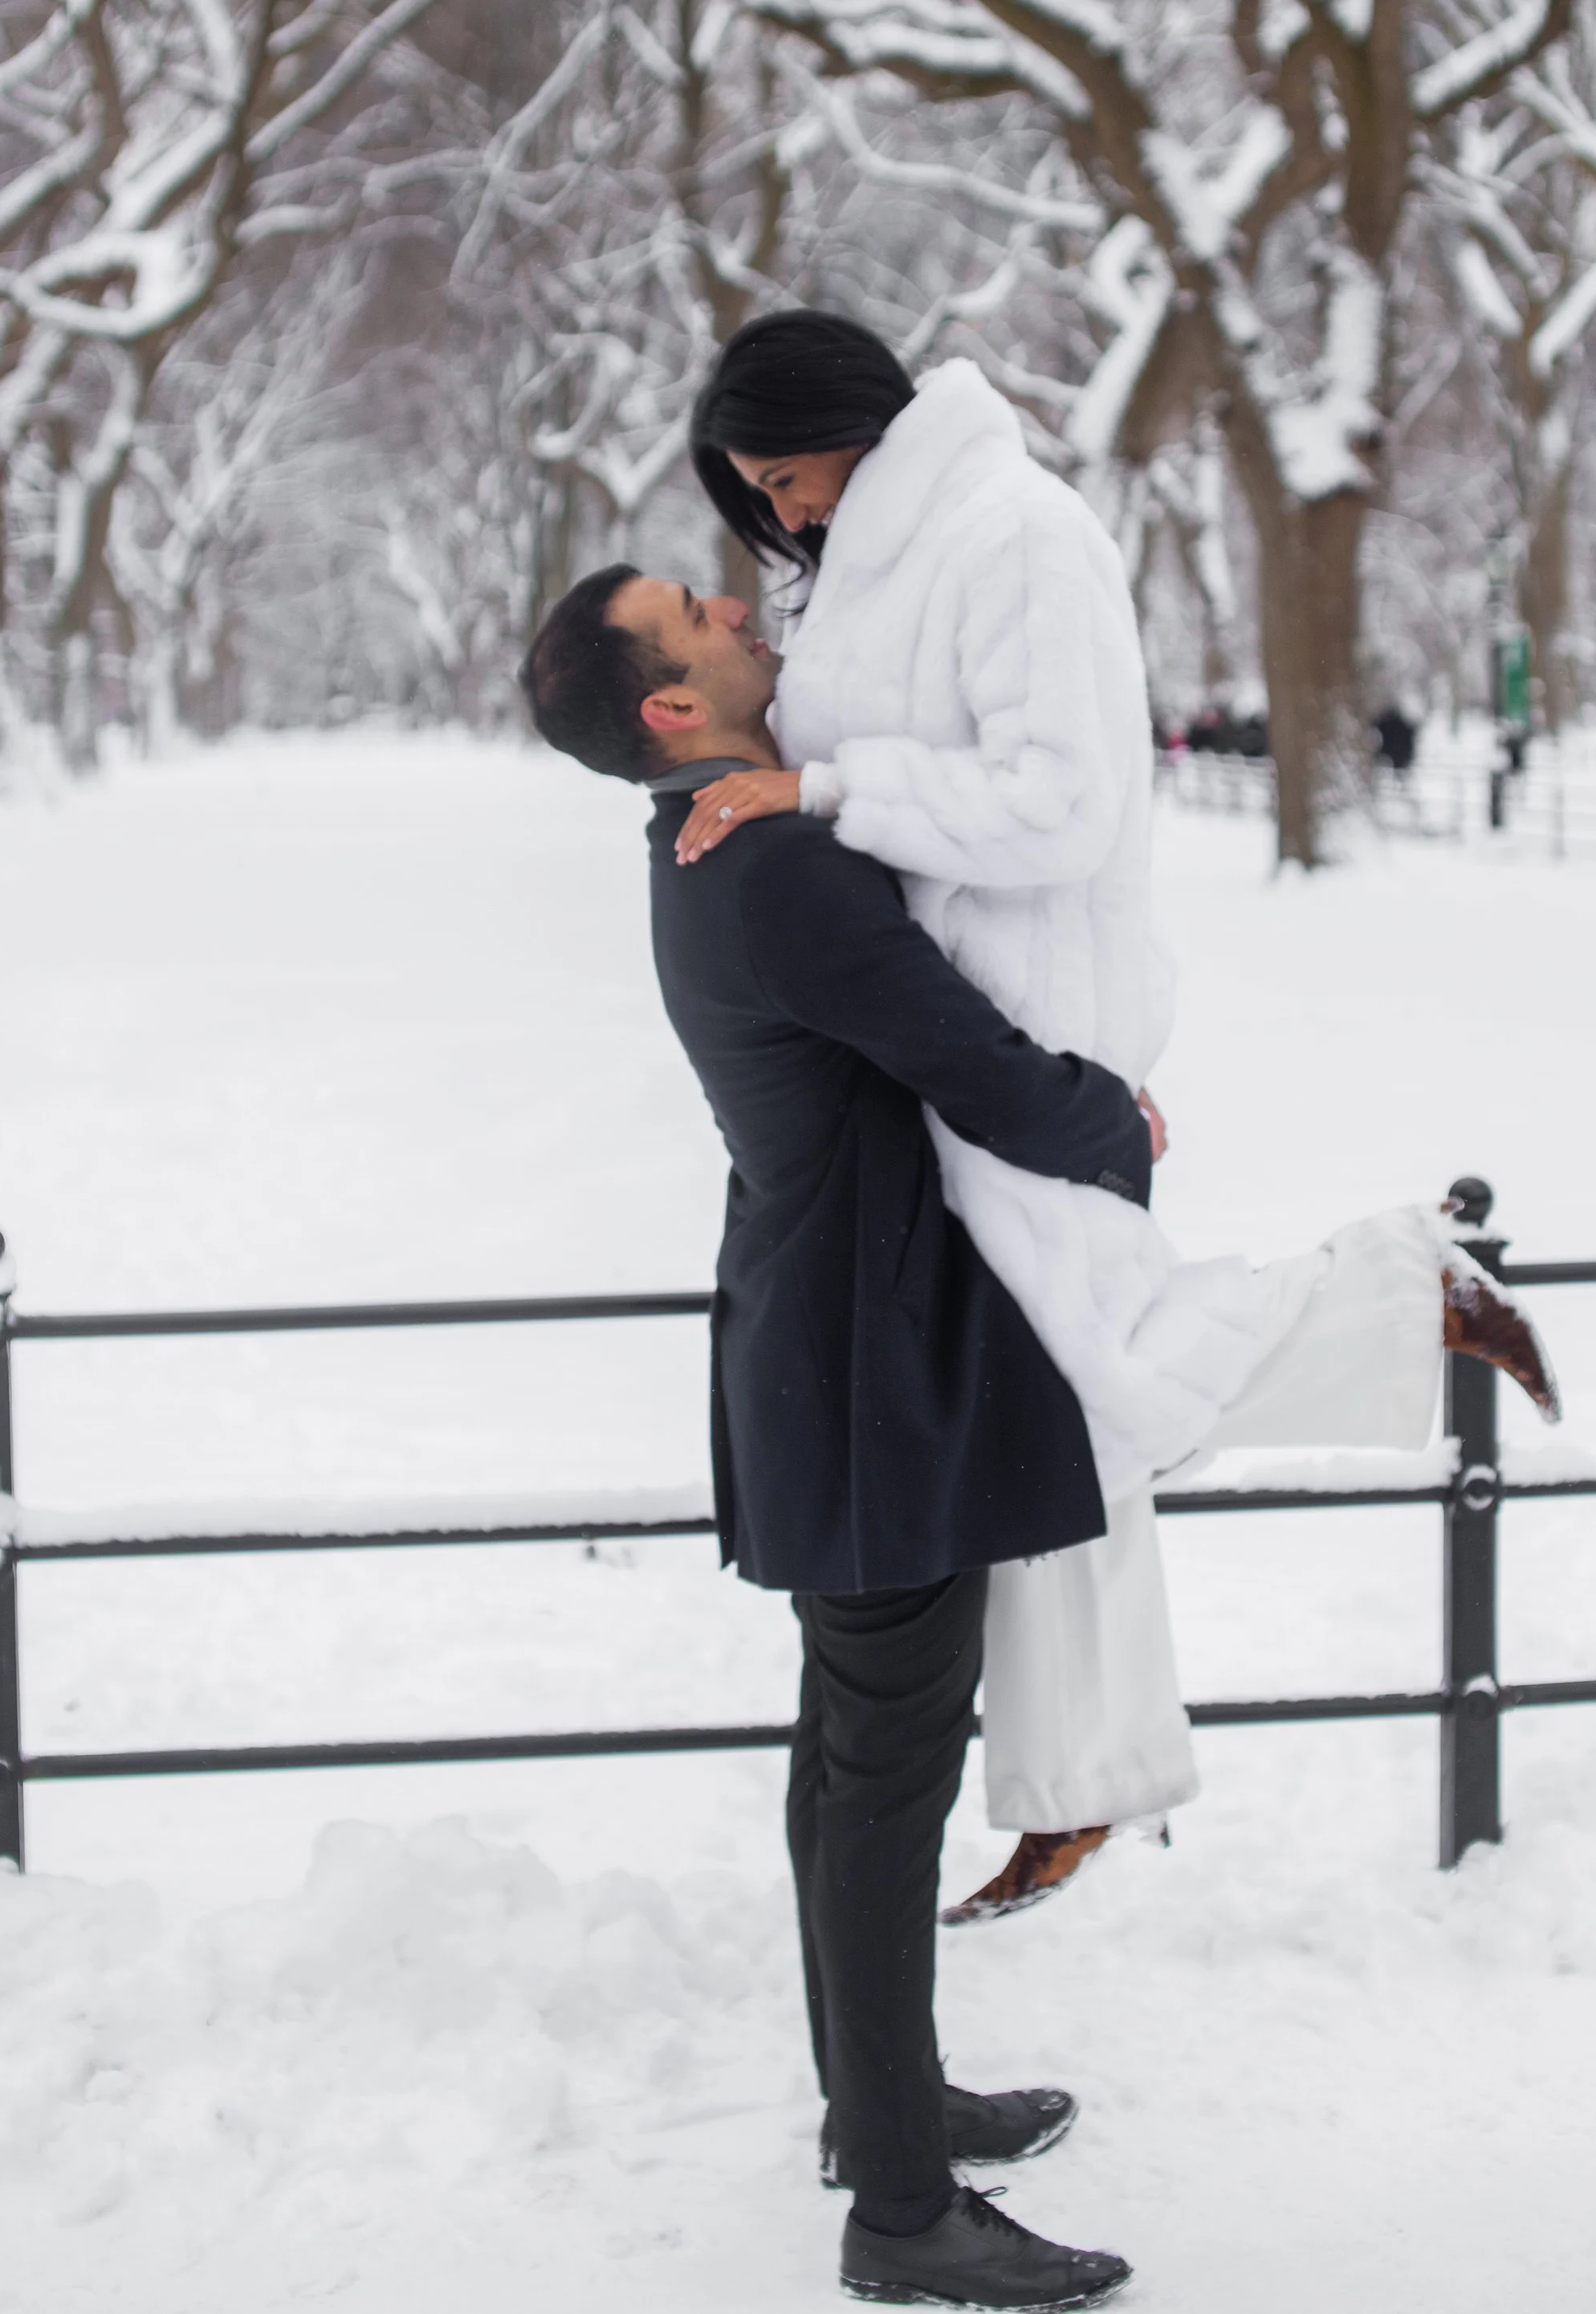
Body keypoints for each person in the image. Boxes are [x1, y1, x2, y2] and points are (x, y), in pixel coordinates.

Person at [674, 311, 1558, 1922]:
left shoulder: (1017, 537)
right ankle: (1082, 1785)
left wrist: (819, 792)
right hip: (934, 1040)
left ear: (852, 426)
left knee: (1091, 1389)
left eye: (788, 478)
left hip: (1015, 1023)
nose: (783, 519)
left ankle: (1403, 1282)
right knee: (1053, 1411)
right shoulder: (867, 560)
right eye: (762, 497)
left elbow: (1063, 797)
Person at [522, 567, 1140, 2309]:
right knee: (881, 1786)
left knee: (850, 1766)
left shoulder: (713, 841)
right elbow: (980, 1067)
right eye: (697, 613)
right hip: (868, 1374)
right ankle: (896, 2209)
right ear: (669, 705)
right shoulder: (770, 864)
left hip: (833, 1346)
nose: (738, 604)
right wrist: (1119, 1120)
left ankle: (878, 2104)